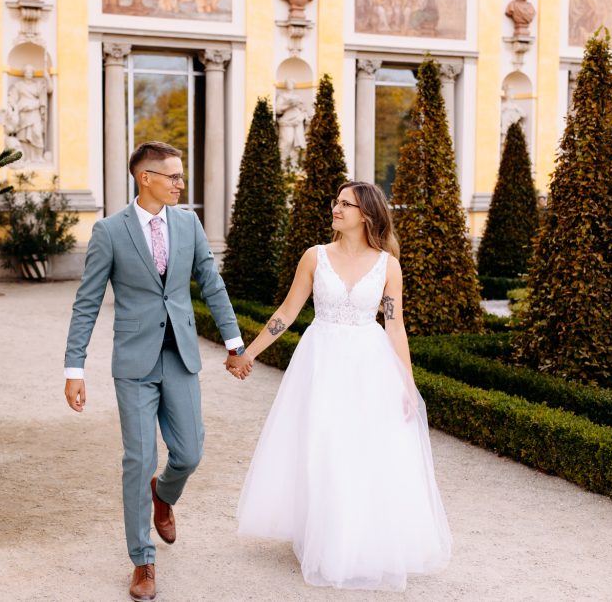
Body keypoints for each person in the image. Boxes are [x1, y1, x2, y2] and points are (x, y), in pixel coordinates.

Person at [235, 181, 452, 591]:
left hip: (370, 365)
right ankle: (323, 535)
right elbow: (287, 311)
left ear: (366, 214)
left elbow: (395, 326)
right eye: (336, 202)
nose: (336, 208)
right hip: (321, 361)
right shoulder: (315, 256)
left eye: (345, 204)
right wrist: (250, 353)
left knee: (362, 448)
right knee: (324, 444)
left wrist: (407, 384)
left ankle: (356, 539)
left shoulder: (388, 266)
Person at [63, 141, 253, 602]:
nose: (180, 184)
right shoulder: (110, 231)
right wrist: (74, 368)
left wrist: (235, 343)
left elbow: (212, 284)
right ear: (144, 177)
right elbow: (87, 302)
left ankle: (163, 495)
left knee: (189, 453)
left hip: (180, 356)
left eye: (180, 176)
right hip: (134, 362)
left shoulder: (188, 224)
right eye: (173, 176)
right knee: (139, 459)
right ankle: (142, 560)